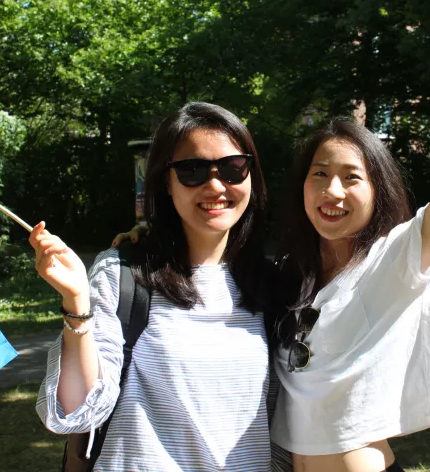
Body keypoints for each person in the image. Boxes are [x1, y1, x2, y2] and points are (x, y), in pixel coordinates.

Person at [116, 22, 430, 472]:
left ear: (377, 190)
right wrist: (149, 241)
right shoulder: (286, 277)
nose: (333, 192)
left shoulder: (400, 258)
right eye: (319, 175)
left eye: (351, 178)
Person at [29, 102, 280, 471]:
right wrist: (76, 303)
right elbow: (75, 413)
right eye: (192, 170)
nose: (215, 184)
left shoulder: (275, 284)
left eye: (232, 167)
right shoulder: (125, 272)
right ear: (166, 181)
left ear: (251, 176)